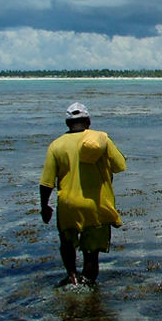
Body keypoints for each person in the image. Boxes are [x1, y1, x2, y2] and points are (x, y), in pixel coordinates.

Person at [39, 102, 126, 287]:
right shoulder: (101, 139)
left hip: (68, 205)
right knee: (91, 253)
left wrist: (44, 206)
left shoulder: (56, 145)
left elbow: (46, 183)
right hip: (96, 204)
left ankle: (71, 276)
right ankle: (87, 285)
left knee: (67, 244)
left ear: (67, 123)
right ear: (88, 121)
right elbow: (119, 166)